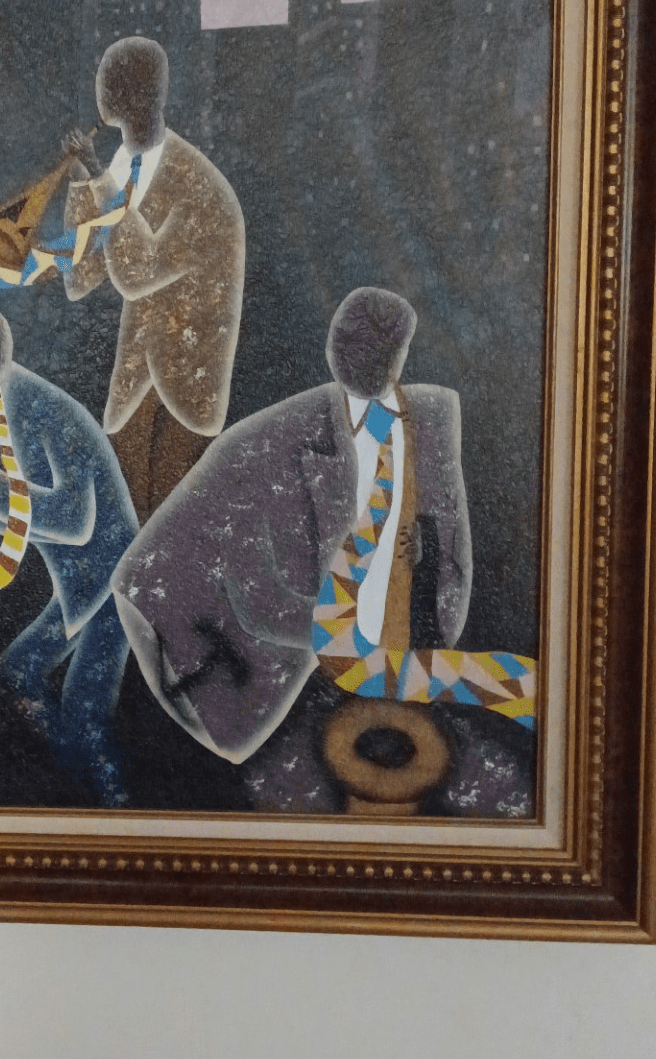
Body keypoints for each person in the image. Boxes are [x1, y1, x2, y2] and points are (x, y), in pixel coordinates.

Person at [110, 287, 473, 764]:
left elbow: (450, 554)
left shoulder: (432, 419)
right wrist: (354, 640)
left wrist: (422, 639)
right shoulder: (265, 444)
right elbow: (256, 598)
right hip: (256, 658)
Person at [0, 293, 139, 804]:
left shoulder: (34, 406)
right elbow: (22, 522)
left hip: (109, 579)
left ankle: (106, 810)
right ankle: (83, 797)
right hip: (89, 580)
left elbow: (73, 522)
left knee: (80, 709)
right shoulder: (14, 400)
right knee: (26, 678)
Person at [61, 36, 244, 524]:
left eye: (110, 80)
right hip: (137, 382)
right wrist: (80, 182)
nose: (100, 88)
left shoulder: (199, 186)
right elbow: (80, 277)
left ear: (134, 95)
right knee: (128, 528)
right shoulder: (120, 167)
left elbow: (136, 274)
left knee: (166, 531)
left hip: (187, 390)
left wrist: (96, 174)